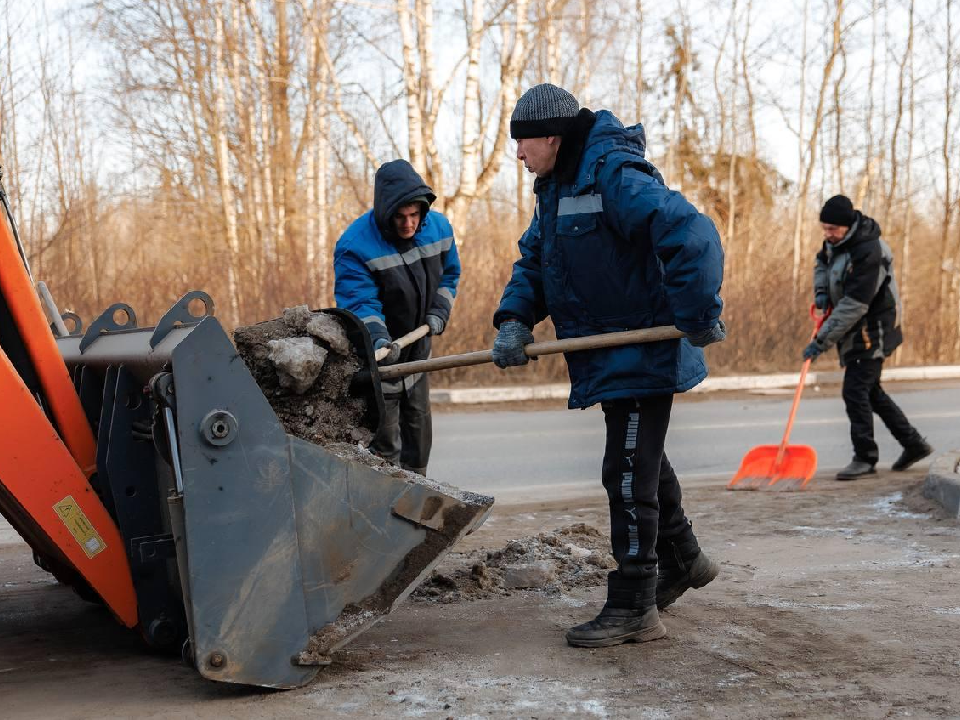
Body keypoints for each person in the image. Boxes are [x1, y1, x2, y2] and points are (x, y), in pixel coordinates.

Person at [491, 83, 726, 648]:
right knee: (640, 461)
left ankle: (633, 604)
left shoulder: (614, 174)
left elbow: (692, 233)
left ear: (551, 137)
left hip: (644, 348)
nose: (518, 156)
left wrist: (696, 311)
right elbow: (538, 260)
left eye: (523, 144)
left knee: (624, 472)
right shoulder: (555, 186)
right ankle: (685, 559)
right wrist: (515, 320)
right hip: (610, 351)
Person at [334, 159, 460, 476]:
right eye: (400, 217)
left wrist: (439, 311)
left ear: (423, 209)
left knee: (419, 440)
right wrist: (378, 339)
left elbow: (450, 276)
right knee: (386, 448)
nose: (408, 224)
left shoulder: (439, 229)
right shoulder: (355, 246)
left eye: (414, 215)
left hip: (418, 356)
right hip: (381, 361)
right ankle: (383, 507)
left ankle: (418, 500)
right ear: (385, 213)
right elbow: (360, 303)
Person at [803, 195, 932, 480]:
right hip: (855, 327)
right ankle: (914, 444)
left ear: (848, 226)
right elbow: (821, 264)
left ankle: (865, 457)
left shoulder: (869, 250)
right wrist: (821, 292)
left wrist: (821, 341)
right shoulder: (835, 243)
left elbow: (855, 304)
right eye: (824, 228)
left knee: (855, 390)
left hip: (874, 329)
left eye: (832, 229)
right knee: (871, 391)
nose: (827, 234)